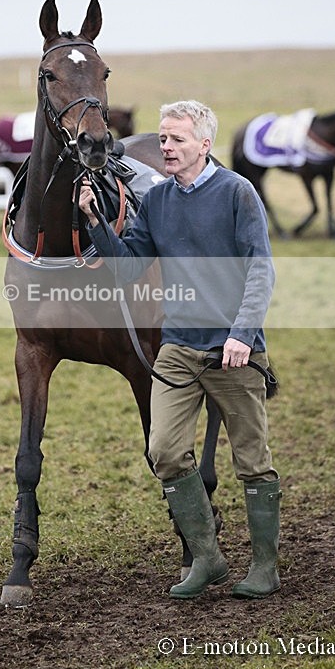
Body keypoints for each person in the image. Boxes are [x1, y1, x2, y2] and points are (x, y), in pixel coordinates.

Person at [79, 100, 281, 601]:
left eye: (176, 139)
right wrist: (95, 222)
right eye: (163, 139)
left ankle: (265, 567)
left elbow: (261, 269)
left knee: (251, 460)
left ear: (204, 144)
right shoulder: (158, 201)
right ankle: (208, 558)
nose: (165, 147)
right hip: (179, 349)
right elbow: (128, 268)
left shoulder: (238, 192)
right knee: (164, 452)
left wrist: (241, 333)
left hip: (234, 348)